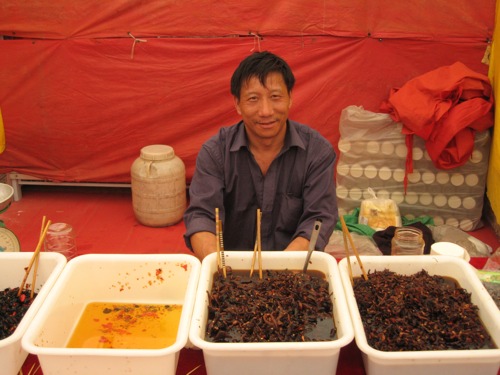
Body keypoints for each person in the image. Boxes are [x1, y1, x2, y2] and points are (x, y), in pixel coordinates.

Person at [183, 51, 338, 260]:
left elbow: (319, 219)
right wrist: (218, 264)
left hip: (293, 268)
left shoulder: (317, 153)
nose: (265, 111)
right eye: (253, 99)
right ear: (237, 104)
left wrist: (282, 268)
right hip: (230, 269)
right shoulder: (215, 153)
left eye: (275, 97)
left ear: (290, 98)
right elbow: (202, 216)